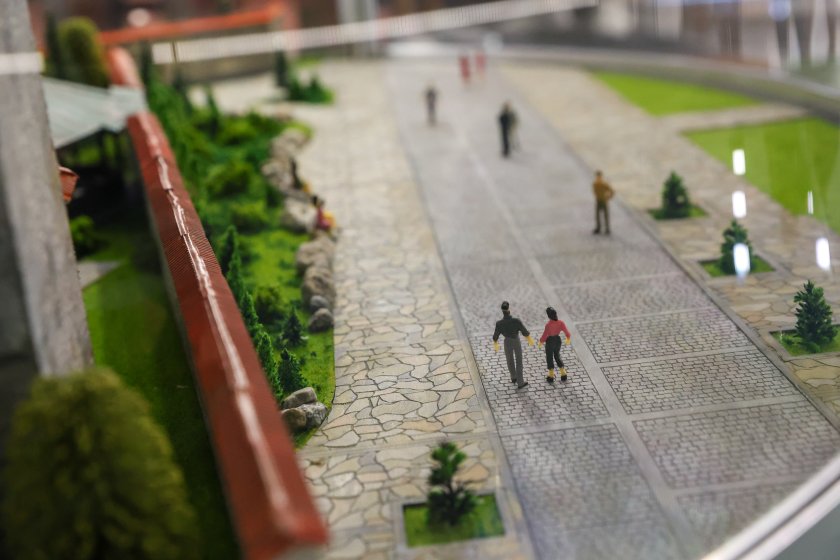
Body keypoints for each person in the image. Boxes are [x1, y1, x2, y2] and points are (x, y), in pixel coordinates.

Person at [492, 301, 535, 389]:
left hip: (507, 341)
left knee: (509, 359)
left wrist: (495, 343)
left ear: (502, 311)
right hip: (516, 340)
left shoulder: (499, 323)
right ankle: (520, 382)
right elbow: (524, 331)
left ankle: (513, 377)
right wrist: (529, 338)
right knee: (519, 360)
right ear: (509, 309)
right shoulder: (516, 321)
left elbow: (495, 337)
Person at [538, 307, 571, 383]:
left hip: (550, 342)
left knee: (549, 357)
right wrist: (568, 338)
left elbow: (544, 335)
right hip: (558, 341)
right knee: (557, 355)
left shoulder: (548, 325)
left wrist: (541, 342)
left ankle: (551, 375)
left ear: (548, 316)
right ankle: (563, 373)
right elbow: (567, 332)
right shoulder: (561, 323)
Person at [592, 170, 614, 235]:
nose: (598, 178)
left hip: (604, 201)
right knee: (597, 215)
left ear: (601, 177)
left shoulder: (604, 184)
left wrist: (608, 197)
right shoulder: (595, 184)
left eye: (599, 177)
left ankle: (607, 228)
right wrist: (596, 196)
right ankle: (598, 227)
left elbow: (612, 191)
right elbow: (594, 191)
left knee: (606, 215)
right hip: (598, 201)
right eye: (597, 177)